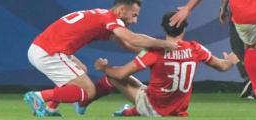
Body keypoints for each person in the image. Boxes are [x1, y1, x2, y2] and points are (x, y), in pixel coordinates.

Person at [24, 0, 177, 117]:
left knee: (81, 70)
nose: (135, 20)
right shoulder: (110, 18)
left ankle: (52, 108)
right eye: (134, 15)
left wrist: (155, 52)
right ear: (122, 10)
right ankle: (39, 97)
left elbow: (128, 44)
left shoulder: (103, 16)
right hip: (50, 51)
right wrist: (166, 44)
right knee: (89, 91)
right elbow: (132, 39)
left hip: (44, 47)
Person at [91, 11, 238, 117]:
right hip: (178, 109)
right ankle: (128, 111)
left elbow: (121, 73)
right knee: (147, 89)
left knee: (114, 75)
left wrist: (103, 67)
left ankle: (88, 100)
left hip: (155, 107)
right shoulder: (195, 48)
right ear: (185, 27)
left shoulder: (155, 51)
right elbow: (223, 66)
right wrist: (231, 61)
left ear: (163, 28)